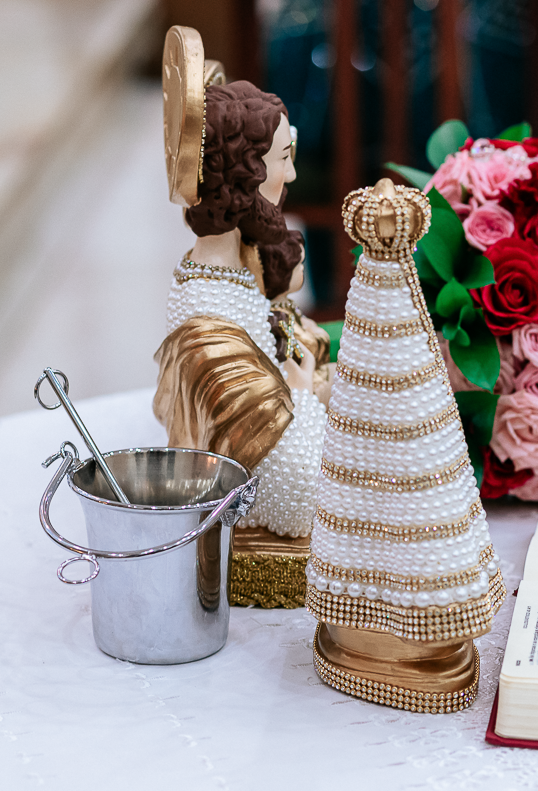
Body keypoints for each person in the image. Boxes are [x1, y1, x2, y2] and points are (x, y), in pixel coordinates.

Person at [153, 63, 328, 609]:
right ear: (245, 175)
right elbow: (299, 496)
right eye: (283, 160)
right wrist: (302, 394)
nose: (292, 178)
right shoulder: (212, 333)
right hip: (258, 516)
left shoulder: (235, 278)